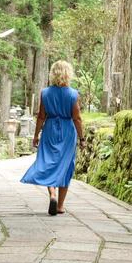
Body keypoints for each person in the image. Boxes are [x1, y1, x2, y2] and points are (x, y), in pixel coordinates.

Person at [20, 60, 86, 215]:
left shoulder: (45, 93)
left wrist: (36, 135)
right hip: (67, 132)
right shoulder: (73, 94)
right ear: (68, 74)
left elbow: (41, 116)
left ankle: (52, 194)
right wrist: (82, 138)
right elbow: (77, 118)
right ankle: (60, 206)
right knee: (65, 166)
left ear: (53, 74)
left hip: (49, 130)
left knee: (48, 162)